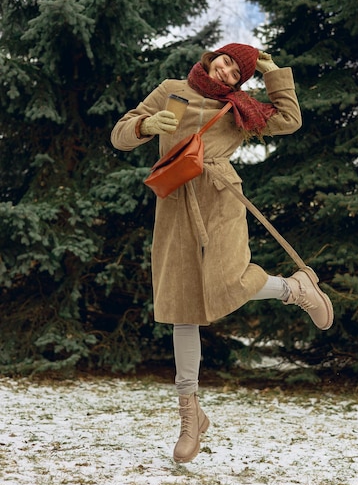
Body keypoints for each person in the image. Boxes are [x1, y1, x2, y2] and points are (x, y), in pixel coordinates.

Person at [111, 43, 333, 463]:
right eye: (227, 61)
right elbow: (120, 134)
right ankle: (190, 415)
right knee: (181, 306)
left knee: (229, 281)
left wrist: (271, 71)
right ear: (214, 56)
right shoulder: (172, 88)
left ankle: (293, 289)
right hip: (174, 201)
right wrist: (145, 126)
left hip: (220, 197)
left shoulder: (240, 109)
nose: (228, 71)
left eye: (237, 71)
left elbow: (289, 120)